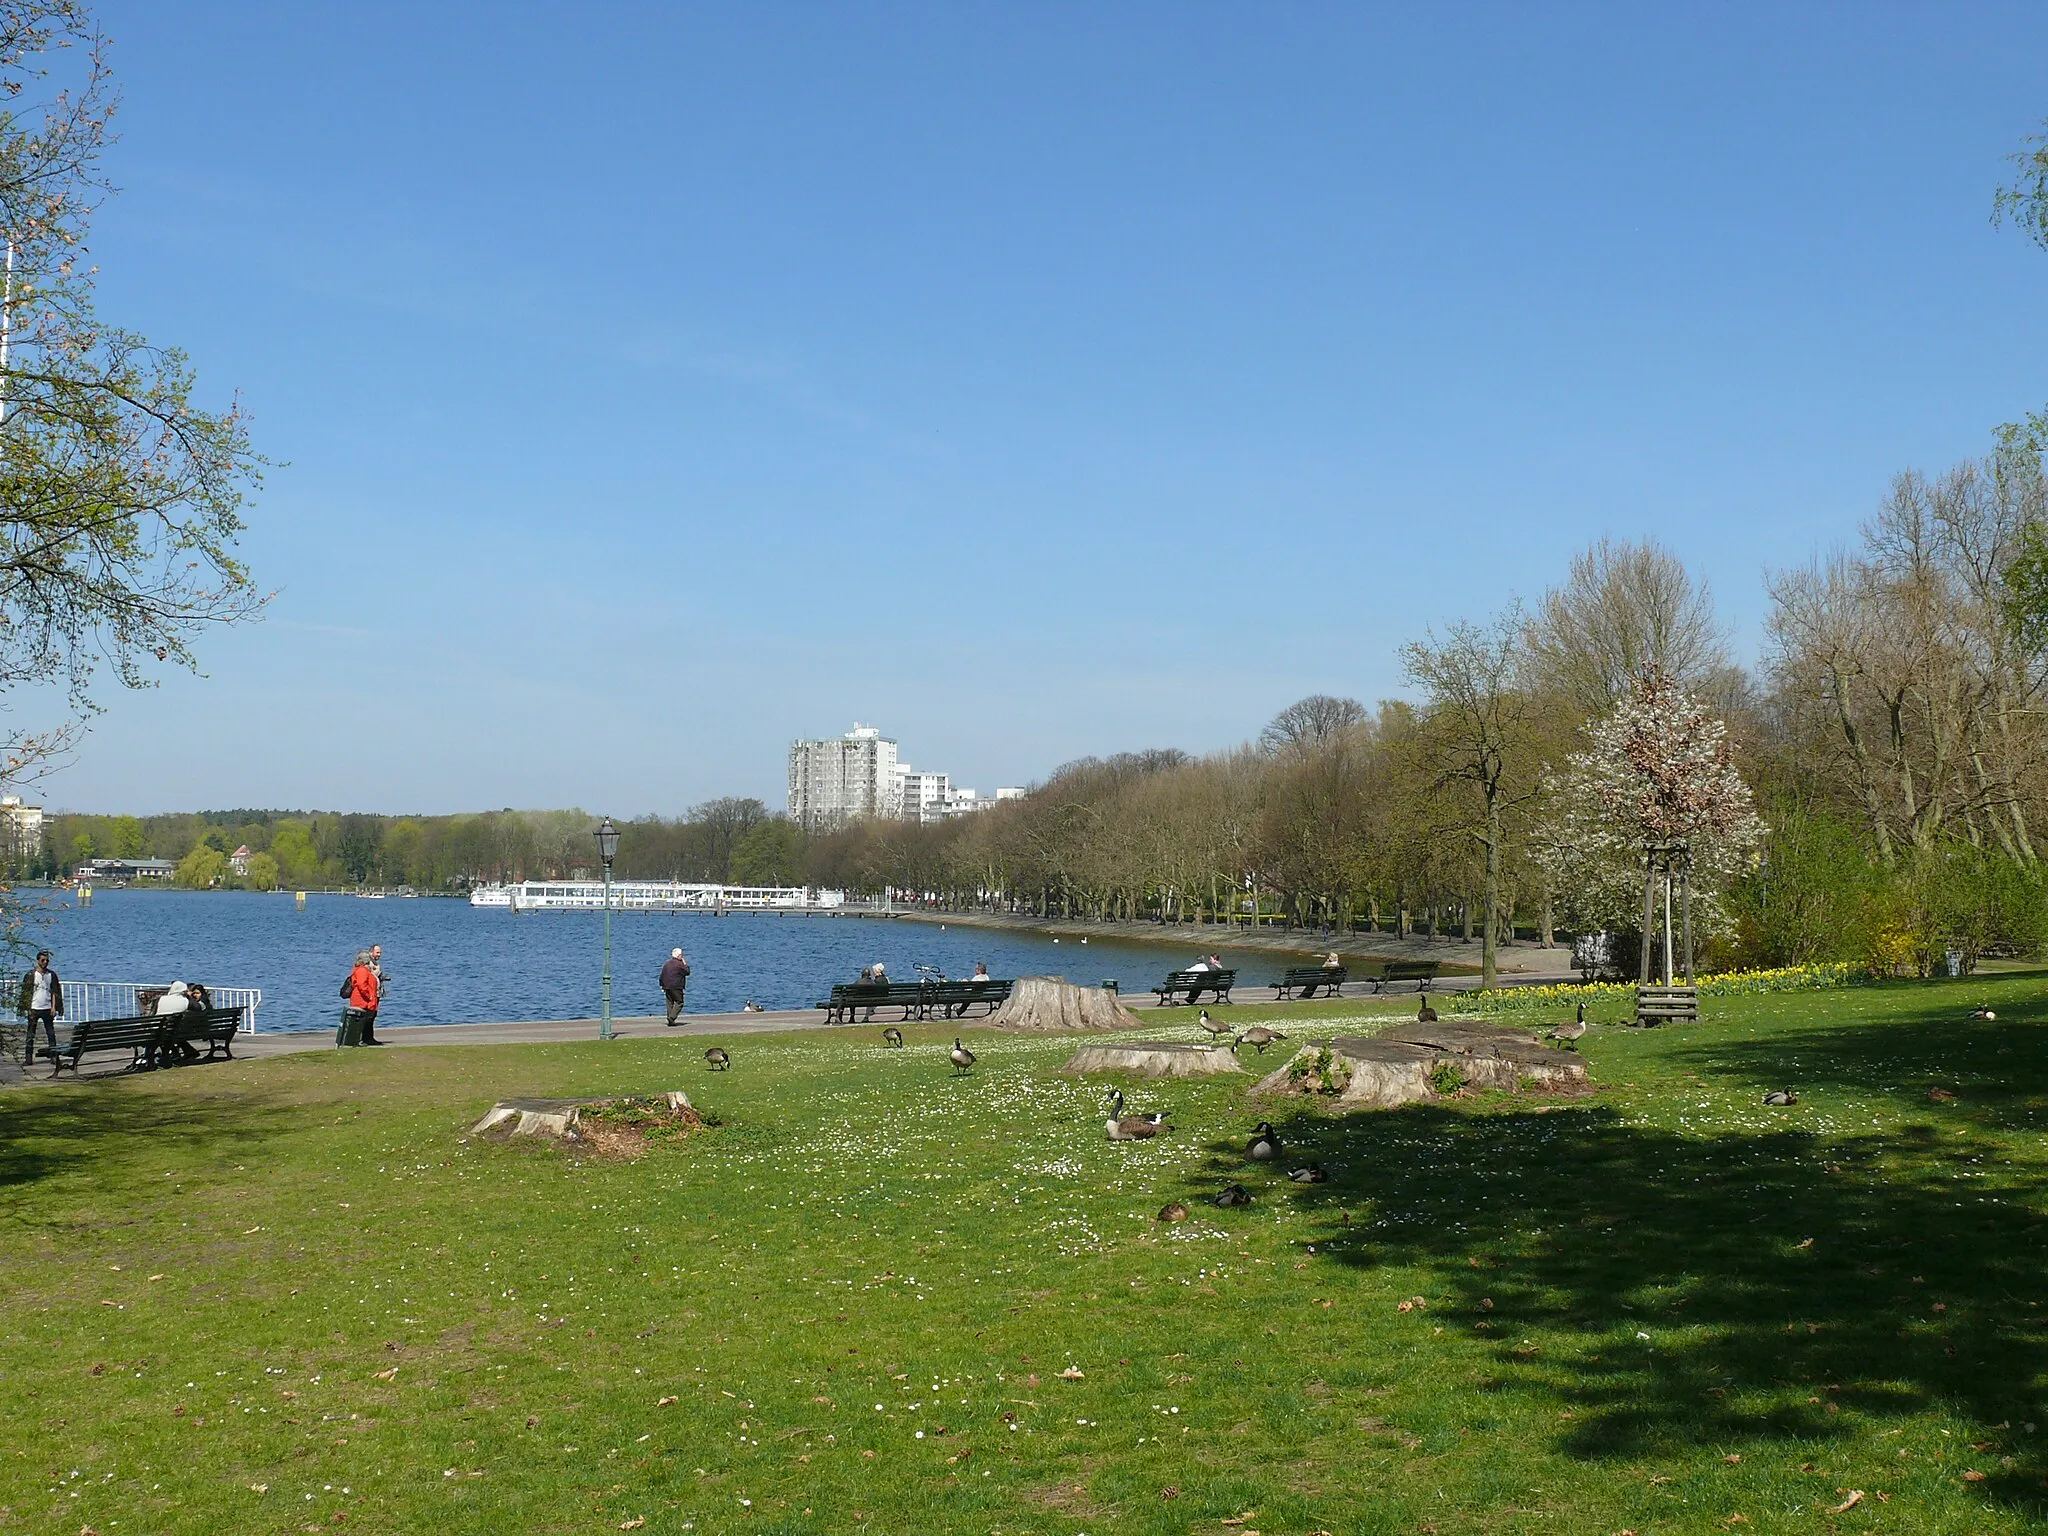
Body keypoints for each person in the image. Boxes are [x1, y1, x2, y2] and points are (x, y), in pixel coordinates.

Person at [17, 950, 61, 1061]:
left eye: (47, 960)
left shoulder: (51, 975)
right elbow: (26, 993)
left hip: (47, 1008)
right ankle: (28, 1058)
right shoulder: (31, 975)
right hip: (34, 1008)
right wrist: (28, 1009)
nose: (45, 962)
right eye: (43, 960)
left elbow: (55, 992)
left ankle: (53, 1056)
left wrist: (53, 1007)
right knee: (30, 1035)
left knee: (51, 1034)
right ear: (38, 961)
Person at [340, 950, 379, 1048]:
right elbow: (362, 985)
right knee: (362, 1020)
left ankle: (367, 1039)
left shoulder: (362, 970)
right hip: (362, 1000)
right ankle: (360, 1039)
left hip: (365, 999)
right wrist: (368, 996)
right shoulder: (362, 971)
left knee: (367, 1020)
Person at [360, 944, 387, 1045]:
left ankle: (369, 1037)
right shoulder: (367, 963)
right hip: (370, 993)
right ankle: (365, 1038)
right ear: (371, 952)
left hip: (376, 993)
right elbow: (368, 977)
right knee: (368, 1016)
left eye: (380, 953)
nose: (379, 955)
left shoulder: (375, 963)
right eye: (377, 952)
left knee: (372, 1015)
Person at [659, 947, 691, 1026]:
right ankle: (672, 1017)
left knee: (669, 1002)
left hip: (667, 986)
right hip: (676, 986)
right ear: (679, 956)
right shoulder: (680, 964)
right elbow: (687, 972)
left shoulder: (667, 964)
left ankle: (670, 1019)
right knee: (679, 1002)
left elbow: (662, 975)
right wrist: (685, 964)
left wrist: (662, 985)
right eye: (681, 955)